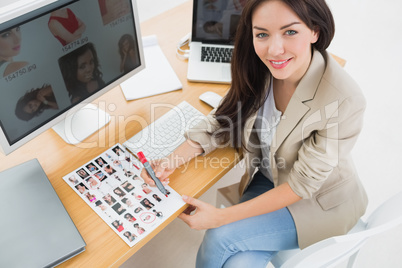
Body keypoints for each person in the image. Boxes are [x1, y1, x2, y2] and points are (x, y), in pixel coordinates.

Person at [140, 0, 368, 267]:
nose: (274, 49)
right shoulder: (260, 69)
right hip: (269, 177)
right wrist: (170, 160)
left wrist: (221, 217)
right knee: (237, 262)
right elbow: (224, 119)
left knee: (219, 237)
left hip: (318, 203)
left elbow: (301, 185)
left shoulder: (345, 99)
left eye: (290, 32)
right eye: (262, 34)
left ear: (315, 31)